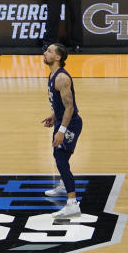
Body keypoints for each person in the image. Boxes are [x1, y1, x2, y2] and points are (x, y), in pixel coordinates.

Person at [41, 43, 83, 219]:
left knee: (61, 159)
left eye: (49, 51)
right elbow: (61, 104)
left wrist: (61, 130)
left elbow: (70, 107)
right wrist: (54, 115)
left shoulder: (62, 78)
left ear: (58, 57)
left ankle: (72, 204)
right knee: (59, 157)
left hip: (70, 124)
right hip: (61, 121)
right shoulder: (52, 74)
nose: (45, 52)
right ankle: (65, 186)